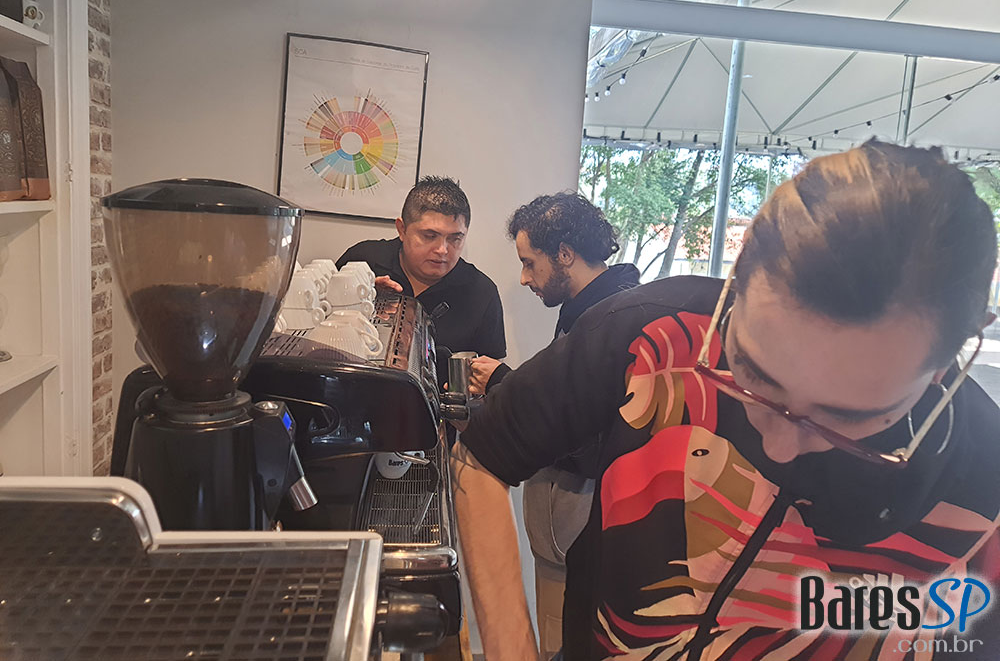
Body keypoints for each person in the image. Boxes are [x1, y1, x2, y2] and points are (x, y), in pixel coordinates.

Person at [453, 140, 1000, 661]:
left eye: (843, 417)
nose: (777, 448)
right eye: (752, 374)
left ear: (947, 363)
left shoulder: (985, 499)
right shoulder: (652, 331)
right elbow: (482, 453)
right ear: (738, 279)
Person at [467, 192, 639, 660]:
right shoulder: (585, 308)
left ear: (564, 254)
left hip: (577, 536)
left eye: (530, 263)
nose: (524, 278)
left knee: (562, 644)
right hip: (562, 536)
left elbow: (590, 434)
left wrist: (505, 384)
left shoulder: (609, 320)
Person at [336, 175, 506, 364]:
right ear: (402, 229)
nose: (442, 250)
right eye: (430, 236)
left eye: (455, 239)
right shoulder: (362, 263)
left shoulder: (482, 292)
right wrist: (357, 297)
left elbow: (490, 371)